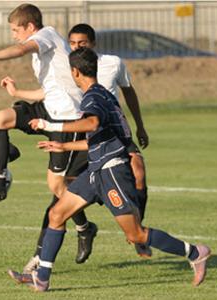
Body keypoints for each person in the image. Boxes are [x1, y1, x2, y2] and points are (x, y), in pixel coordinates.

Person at [8, 47, 211, 292]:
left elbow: (92, 123)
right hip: (96, 170)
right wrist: (63, 145)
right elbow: (99, 137)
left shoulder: (93, 97)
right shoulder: (103, 95)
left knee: (136, 234)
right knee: (57, 214)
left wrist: (50, 124)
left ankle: (195, 253)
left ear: (75, 72)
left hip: (112, 171)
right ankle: (42, 277)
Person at [0, 3, 98, 268]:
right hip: (50, 108)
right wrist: (17, 94)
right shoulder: (46, 52)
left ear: (30, 26)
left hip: (67, 118)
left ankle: (83, 228)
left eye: (16, 29)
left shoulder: (45, 35)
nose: (14, 34)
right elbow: (50, 91)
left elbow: (21, 48)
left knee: (58, 189)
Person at [67, 23, 151, 257]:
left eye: (81, 43)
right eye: (72, 43)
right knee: (63, 187)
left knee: (139, 172)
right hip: (86, 133)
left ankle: (137, 231)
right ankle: (84, 229)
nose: (76, 47)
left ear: (92, 44)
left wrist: (140, 126)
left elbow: (128, 91)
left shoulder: (112, 63)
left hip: (113, 133)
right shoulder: (68, 66)